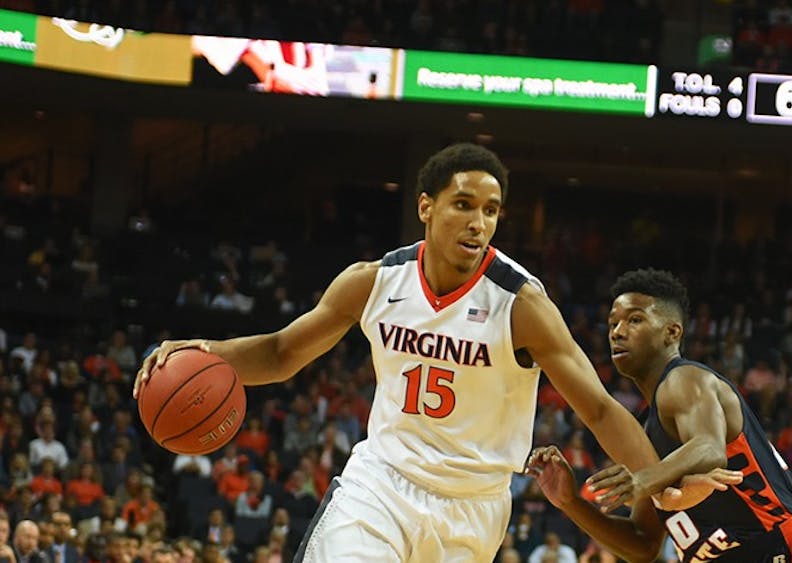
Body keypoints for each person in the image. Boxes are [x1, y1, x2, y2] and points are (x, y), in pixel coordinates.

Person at [135, 143, 669, 561]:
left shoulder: (521, 304)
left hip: (474, 506)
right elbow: (280, 352)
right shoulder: (372, 282)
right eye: (463, 205)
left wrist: (664, 477)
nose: (478, 222)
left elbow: (597, 408)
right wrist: (208, 352)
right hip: (381, 485)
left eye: (491, 211)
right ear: (426, 207)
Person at [529, 269, 792, 562]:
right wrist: (571, 502)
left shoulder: (685, 380)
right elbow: (644, 546)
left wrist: (642, 480)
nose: (618, 332)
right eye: (612, 323)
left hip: (785, 549)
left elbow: (709, 448)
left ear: (672, 332)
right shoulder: (647, 430)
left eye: (634, 320)